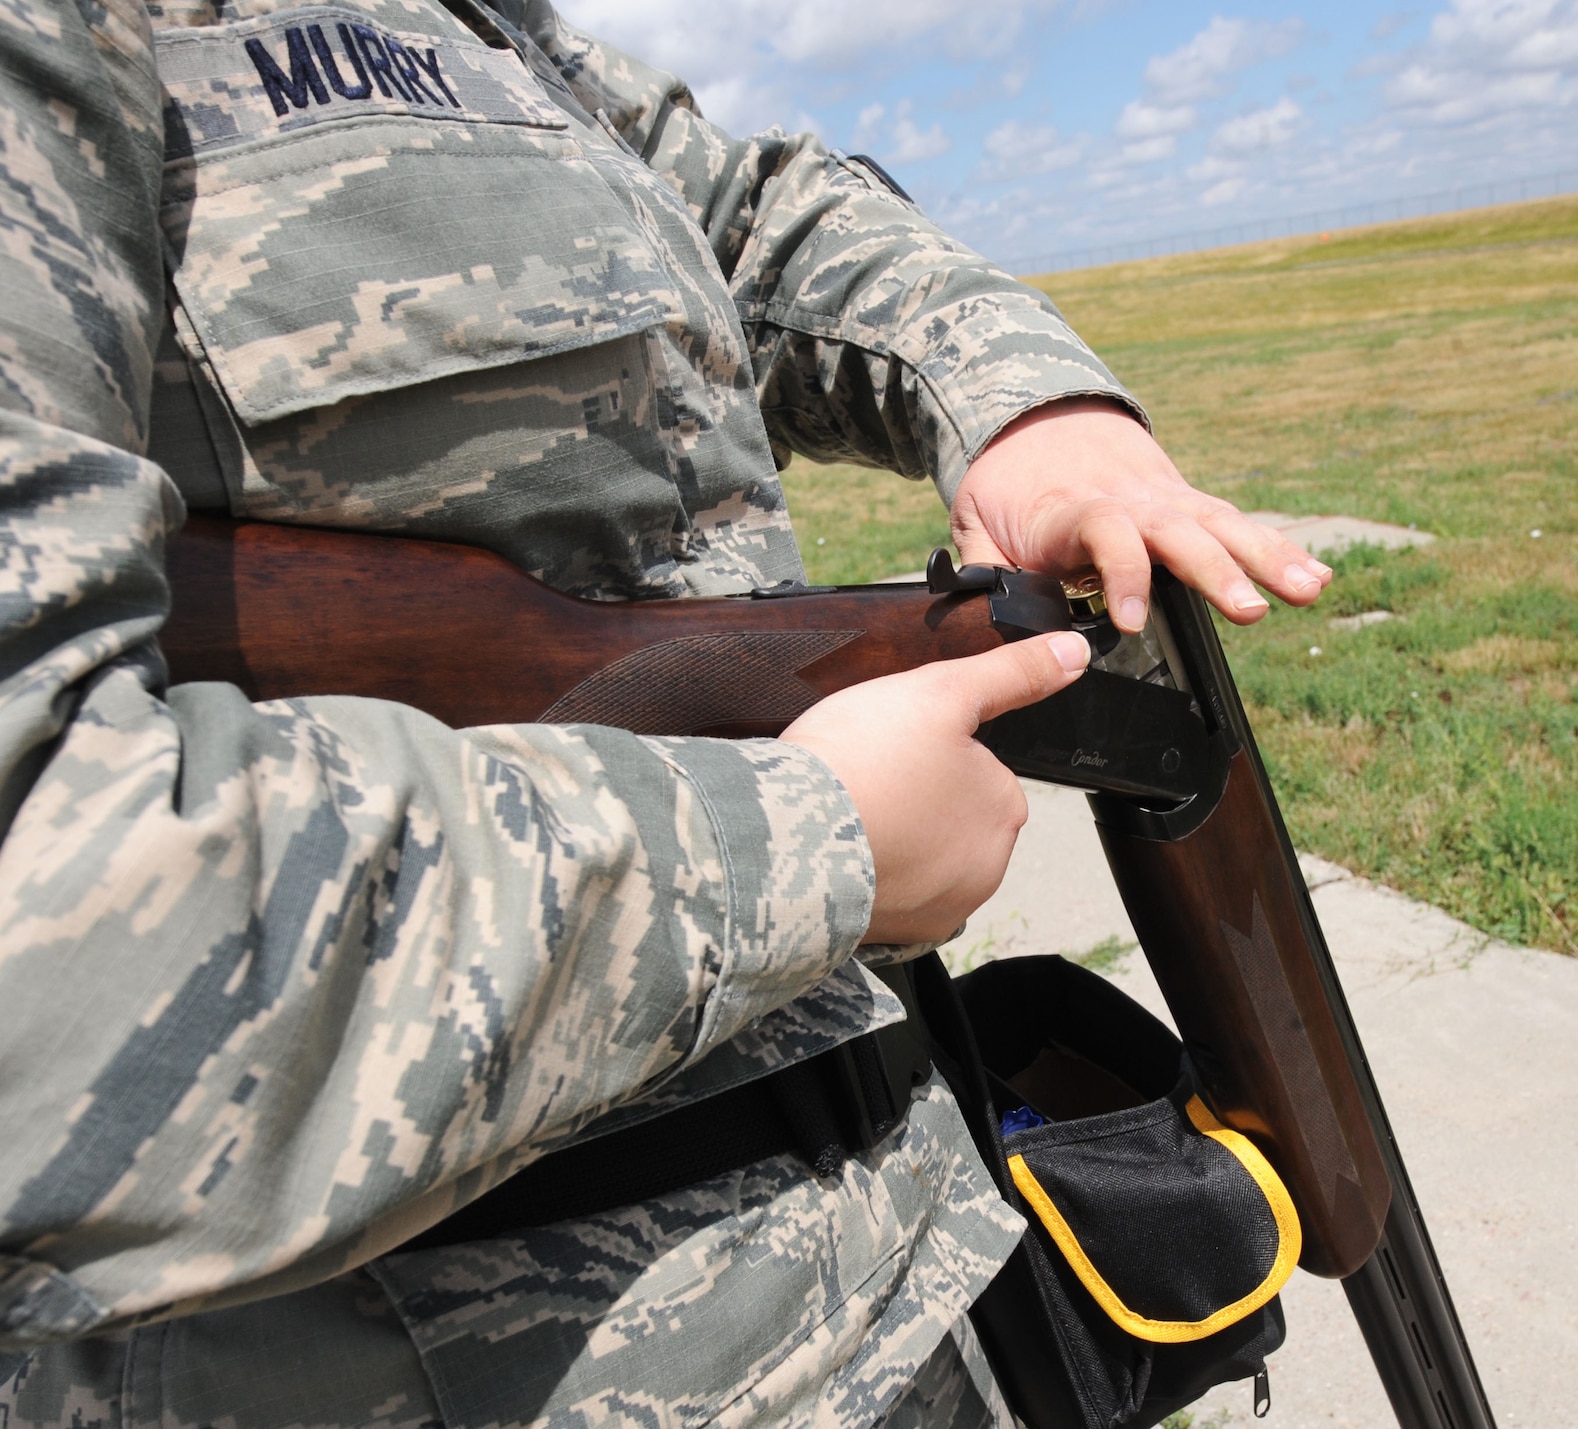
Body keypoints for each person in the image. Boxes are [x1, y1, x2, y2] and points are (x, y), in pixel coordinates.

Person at [0, 1, 1332, 1424]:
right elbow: (48, 944)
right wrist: (816, 841)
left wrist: (1026, 398)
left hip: (898, 1279)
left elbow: (755, 215)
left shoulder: (481, 27)